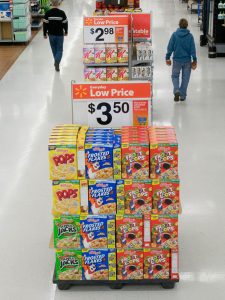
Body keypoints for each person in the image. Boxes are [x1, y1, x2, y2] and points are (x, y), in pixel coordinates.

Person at [166, 18, 197, 102]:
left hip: (177, 60)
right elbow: (193, 49)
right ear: (187, 26)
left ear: (179, 25)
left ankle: (176, 90)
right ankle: (182, 96)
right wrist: (194, 60)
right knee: (185, 78)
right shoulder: (190, 36)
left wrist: (167, 58)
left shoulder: (174, 35)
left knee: (175, 76)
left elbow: (170, 47)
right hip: (187, 61)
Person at [43, 0, 68, 72]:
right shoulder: (62, 13)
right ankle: (57, 62)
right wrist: (66, 31)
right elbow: (65, 23)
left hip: (51, 35)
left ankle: (56, 62)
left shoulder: (47, 13)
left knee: (54, 49)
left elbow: (45, 24)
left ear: (51, 3)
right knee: (59, 50)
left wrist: (44, 34)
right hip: (60, 35)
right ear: (58, 3)